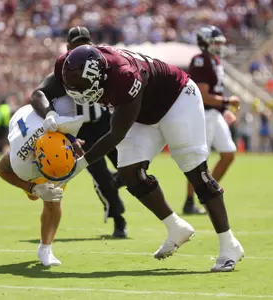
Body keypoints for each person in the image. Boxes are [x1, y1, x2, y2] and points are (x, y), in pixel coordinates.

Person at [32, 44, 244, 271]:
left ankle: (229, 244)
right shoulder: (71, 65)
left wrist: (77, 166)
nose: (82, 96)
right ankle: (176, 227)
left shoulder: (124, 76)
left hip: (176, 99)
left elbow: (115, 134)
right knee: (129, 172)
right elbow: (39, 93)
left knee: (195, 171)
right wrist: (49, 113)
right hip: (144, 110)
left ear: (100, 75)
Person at [31, 26, 127, 238]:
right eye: (77, 45)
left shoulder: (101, 64)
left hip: (107, 124)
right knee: (101, 177)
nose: (82, 49)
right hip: (84, 133)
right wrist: (49, 114)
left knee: (131, 166)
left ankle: (117, 182)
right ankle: (118, 219)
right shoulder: (65, 72)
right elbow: (38, 93)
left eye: (86, 43)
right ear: (68, 48)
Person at [0, 96, 84, 267]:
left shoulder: (62, 124)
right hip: (25, 129)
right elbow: (0, 170)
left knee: (53, 200)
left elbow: (69, 129)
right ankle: (35, 190)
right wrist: (32, 188)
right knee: (34, 196)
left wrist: (73, 142)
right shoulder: (22, 160)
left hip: (50, 131)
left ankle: (45, 248)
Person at [183, 26, 241, 215]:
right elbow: (203, 94)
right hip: (203, 114)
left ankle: (207, 194)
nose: (219, 46)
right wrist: (226, 102)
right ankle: (189, 201)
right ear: (206, 43)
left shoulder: (215, 60)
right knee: (199, 160)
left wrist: (224, 109)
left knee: (228, 153)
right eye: (216, 42)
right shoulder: (200, 61)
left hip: (214, 114)